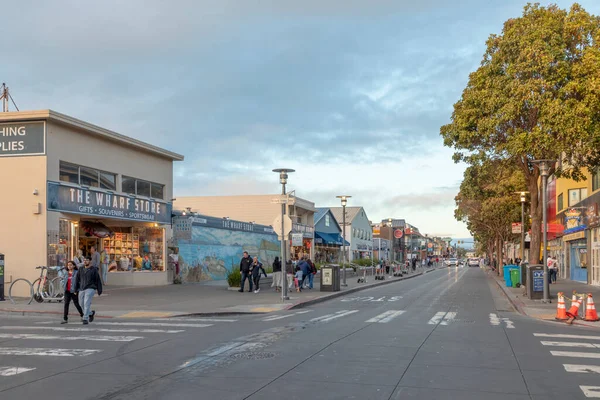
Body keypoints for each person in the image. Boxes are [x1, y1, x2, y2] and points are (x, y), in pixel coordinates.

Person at [75, 257, 102, 325]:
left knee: (86, 303)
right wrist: (75, 288)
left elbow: (97, 279)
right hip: (81, 288)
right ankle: (90, 313)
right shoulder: (81, 269)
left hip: (90, 288)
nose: (85, 261)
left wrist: (99, 289)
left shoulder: (94, 270)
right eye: (84, 260)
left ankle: (85, 318)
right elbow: (77, 279)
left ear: (90, 261)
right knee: (81, 304)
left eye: (86, 260)